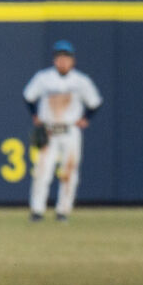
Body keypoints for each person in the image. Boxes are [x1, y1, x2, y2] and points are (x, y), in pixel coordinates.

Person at [23, 40, 105, 221]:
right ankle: (37, 211)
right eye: (60, 58)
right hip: (49, 130)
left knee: (69, 172)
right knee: (43, 171)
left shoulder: (80, 80)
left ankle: (63, 211)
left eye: (66, 58)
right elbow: (28, 96)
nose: (63, 62)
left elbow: (95, 102)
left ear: (72, 61)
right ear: (55, 60)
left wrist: (86, 119)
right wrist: (35, 115)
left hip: (70, 130)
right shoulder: (44, 78)